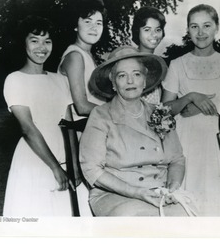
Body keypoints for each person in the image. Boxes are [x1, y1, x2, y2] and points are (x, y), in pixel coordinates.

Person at [161, 4, 220, 216]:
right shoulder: (177, 64)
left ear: (216, 28)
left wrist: (205, 106)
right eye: (194, 26)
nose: (200, 33)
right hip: (187, 144)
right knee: (189, 211)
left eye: (206, 26)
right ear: (188, 29)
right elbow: (164, 110)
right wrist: (189, 98)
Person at [80, 46, 188, 216]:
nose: (130, 81)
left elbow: (177, 159)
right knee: (141, 223)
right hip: (115, 194)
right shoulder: (101, 115)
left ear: (144, 81)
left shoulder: (159, 113)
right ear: (114, 83)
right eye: (122, 76)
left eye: (136, 74)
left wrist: (172, 188)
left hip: (157, 192)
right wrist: (137, 192)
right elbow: (91, 169)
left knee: (188, 219)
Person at [2, 15, 91, 216]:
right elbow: (28, 128)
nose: (41, 47)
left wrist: (74, 165)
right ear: (23, 43)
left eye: (47, 41)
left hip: (65, 158)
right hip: (36, 160)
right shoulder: (15, 79)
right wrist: (55, 168)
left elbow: (68, 124)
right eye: (34, 40)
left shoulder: (59, 79)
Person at [58, 0, 107, 119]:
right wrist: (115, 113)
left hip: (97, 122)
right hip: (82, 128)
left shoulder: (87, 55)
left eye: (98, 23)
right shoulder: (75, 56)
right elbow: (82, 106)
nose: (94, 27)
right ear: (75, 25)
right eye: (87, 21)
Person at [132, 6, 168, 104]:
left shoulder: (161, 65)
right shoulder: (130, 61)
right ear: (137, 31)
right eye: (147, 29)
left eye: (158, 30)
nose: (154, 35)